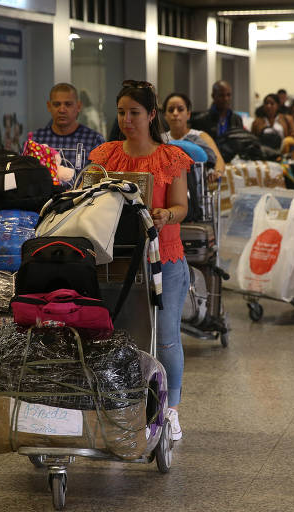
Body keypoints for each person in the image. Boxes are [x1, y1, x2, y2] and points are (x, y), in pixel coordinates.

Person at [89, 80, 193, 441]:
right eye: (121, 112)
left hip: (164, 259)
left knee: (165, 337)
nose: (127, 120)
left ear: (151, 115)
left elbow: (182, 206)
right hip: (118, 260)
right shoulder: (105, 156)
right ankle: (124, 404)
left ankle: (171, 410)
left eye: (135, 113)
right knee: (120, 334)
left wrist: (167, 214)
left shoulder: (171, 158)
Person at [31, 83, 105, 178]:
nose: (62, 110)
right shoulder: (36, 139)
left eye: (68, 104)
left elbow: (101, 179)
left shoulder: (94, 140)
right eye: (57, 104)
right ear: (49, 106)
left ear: (78, 106)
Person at [162, 92, 226, 178]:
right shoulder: (159, 139)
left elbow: (219, 161)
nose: (175, 113)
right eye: (171, 110)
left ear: (188, 114)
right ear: (165, 116)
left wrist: (216, 173)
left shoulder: (201, 136)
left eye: (180, 109)